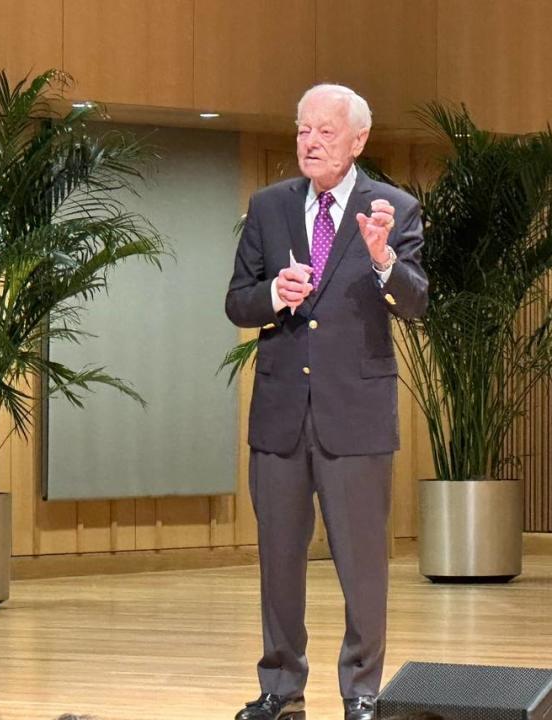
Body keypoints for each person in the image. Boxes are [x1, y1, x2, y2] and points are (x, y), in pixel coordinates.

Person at [225, 84, 428, 720]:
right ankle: (280, 690)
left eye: (325, 133)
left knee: (362, 567)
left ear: (358, 141)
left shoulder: (393, 208)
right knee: (278, 565)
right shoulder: (269, 206)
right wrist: (274, 297)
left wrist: (382, 261)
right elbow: (238, 300)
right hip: (281, 418)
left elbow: (417, 303)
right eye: (302, 130)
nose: (310, 142)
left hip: (356, 418)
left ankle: (362, 692)